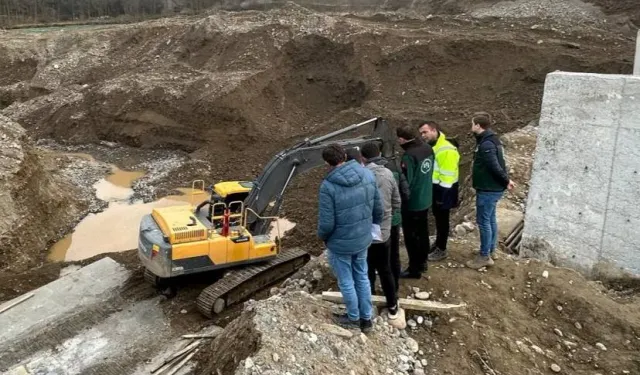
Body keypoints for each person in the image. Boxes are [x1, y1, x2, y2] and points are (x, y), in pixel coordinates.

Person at [317, 143, 384, 332]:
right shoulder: (368, 175)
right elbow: (377, 208)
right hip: (362, 238)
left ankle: (353, 317)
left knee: (346, 280)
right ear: (344, 156)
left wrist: (323, 237)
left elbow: (327, 223)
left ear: (326, 163)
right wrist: (371, 228)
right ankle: (366, 318)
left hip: (340, 243)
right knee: (362, 276)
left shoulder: (328, 186)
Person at [467, 112, 515, 269]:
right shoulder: (490, 140)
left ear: (478, 126)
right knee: (490, 219)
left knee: (483, 222)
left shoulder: (486, 144)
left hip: (489, 189)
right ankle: (490, 250)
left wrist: (506, 180)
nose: (471, 126)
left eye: (472, 124)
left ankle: (484, 256)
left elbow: (495, 166)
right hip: (492, 188)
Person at [360, 141, 401, 319]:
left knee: (366, 267)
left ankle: (367, 305)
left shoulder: (360, 176)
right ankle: (392, 305)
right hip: (383, 231)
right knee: (385, 268)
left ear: (363, 158)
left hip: (364, 231)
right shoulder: (388, 174)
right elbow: (397, 201)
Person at [396, 125, 435, 279]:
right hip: (426, 197)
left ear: (402, 139)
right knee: (423, 231)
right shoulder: (427, 148)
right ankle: (423, 261)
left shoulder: (408, 156)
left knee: (411, 236)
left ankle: (414, 269)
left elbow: (406, 181)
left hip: (413, 202)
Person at [418, 121, 460, 261]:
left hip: (444, 191)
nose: (423, 135)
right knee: (439, 219)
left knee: (443, 220)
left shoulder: (446, 149)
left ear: (434, 130)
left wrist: (441, 196)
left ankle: (441, 249)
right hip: (437, 189)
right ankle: (438, 243)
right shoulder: (436, 146)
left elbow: (447, 176)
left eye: (425, 132)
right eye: (421, 133)